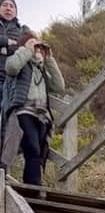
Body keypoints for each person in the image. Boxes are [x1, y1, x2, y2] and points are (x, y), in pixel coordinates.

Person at [1, 32, 65, 185]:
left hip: (42, 115)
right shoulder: (19, 62)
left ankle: (33, 186)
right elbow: (11, 68)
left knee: (38, 153)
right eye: (33, 45)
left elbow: (59, 86)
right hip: (23, 111)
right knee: (33, 148)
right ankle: (33, 187)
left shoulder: (41, 70)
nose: (36, 49)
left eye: (38, 47)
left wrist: (49, 59)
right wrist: (27, 49)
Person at [0, 0, 28, 87]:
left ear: (16, 12)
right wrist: (7, 41)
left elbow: (28, 49)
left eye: (12, 6)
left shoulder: (22, 31)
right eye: (4, 5)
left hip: (14, 81)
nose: (8, 8)